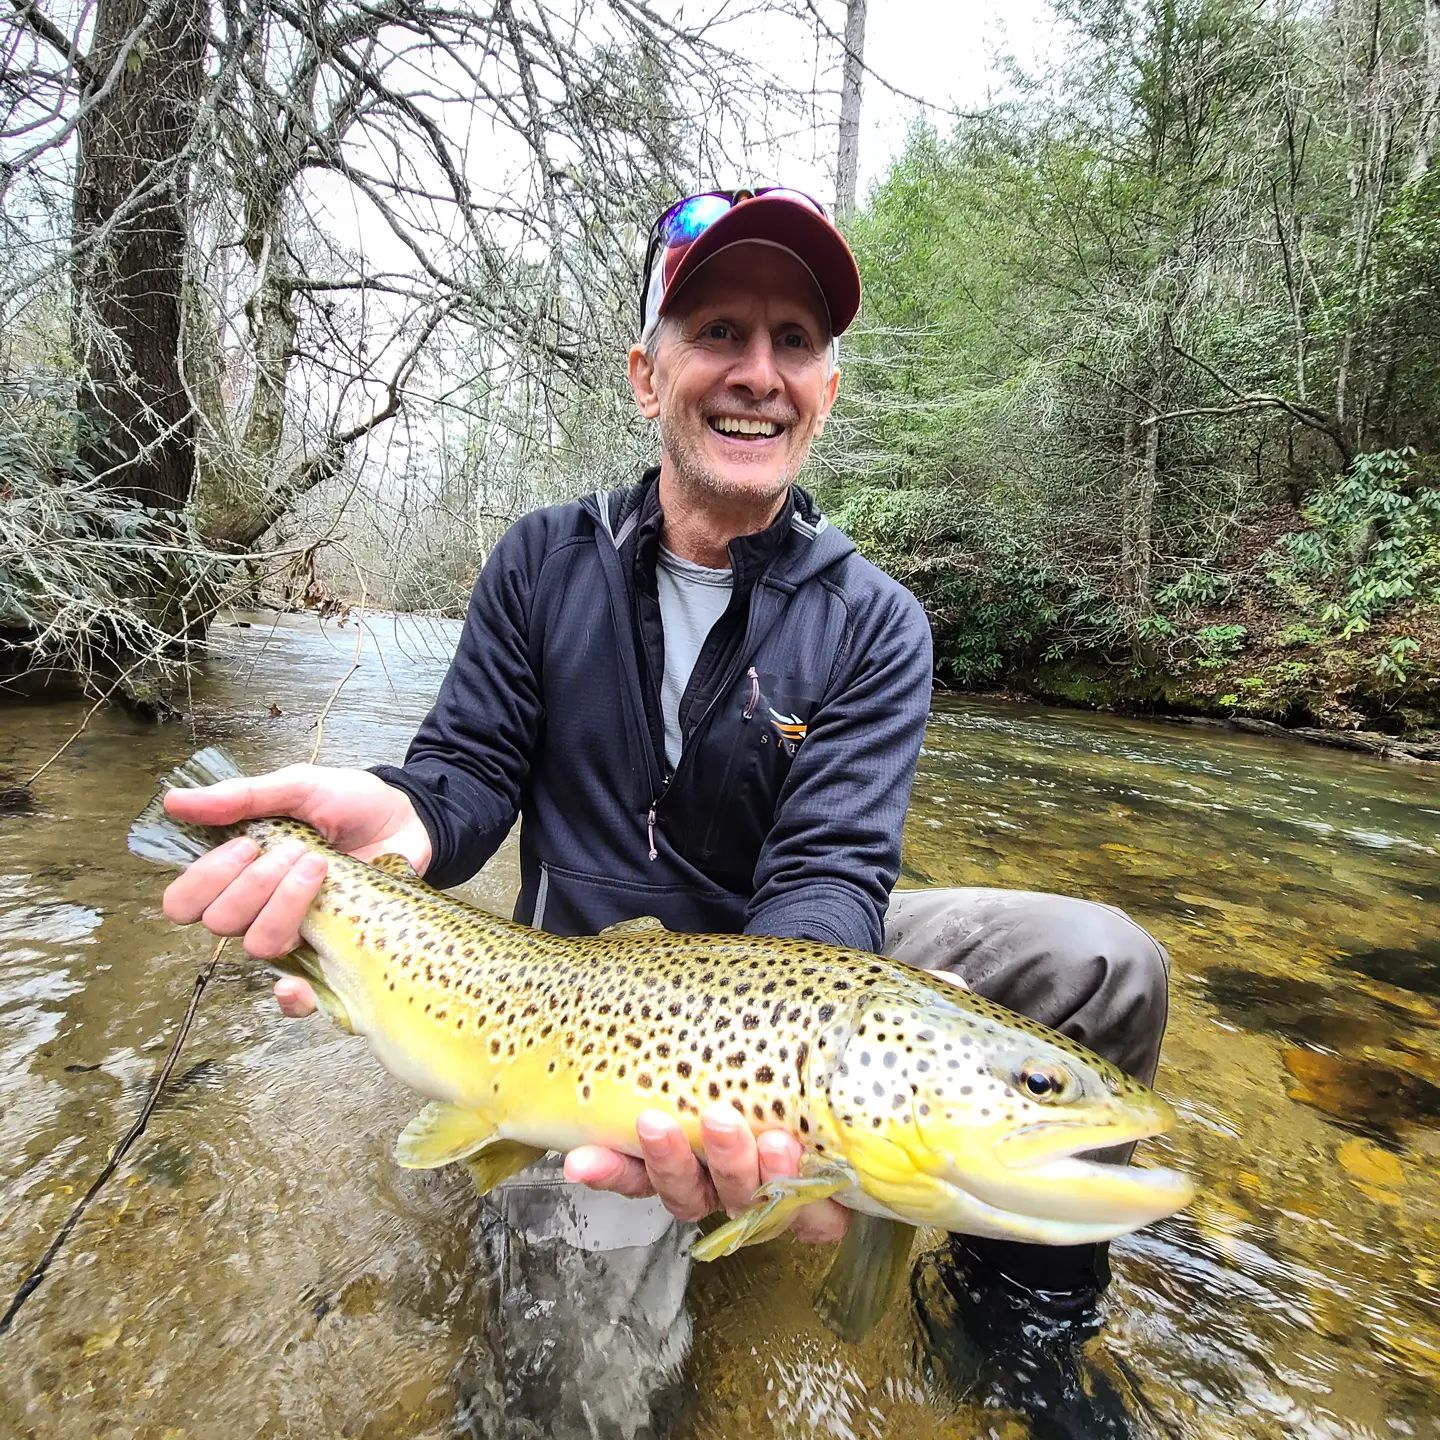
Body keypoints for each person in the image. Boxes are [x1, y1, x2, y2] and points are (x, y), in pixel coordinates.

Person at [160, 188, 1169, 1437]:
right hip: (573, 999)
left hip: (787, 977)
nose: (758, 374)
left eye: (793, 342)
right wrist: (400, 821)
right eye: (719, 333)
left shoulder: (875, 622)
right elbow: (466, 772)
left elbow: (833, 870)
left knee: (1102, 964)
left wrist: (787, 1070)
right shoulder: (543, 562)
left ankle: (1017, 1338)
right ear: (648, 376)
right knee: (569, 1394)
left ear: (826, 392)